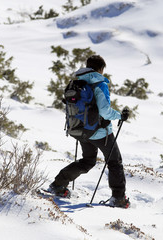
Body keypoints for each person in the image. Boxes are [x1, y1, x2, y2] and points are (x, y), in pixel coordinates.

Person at [49, 55, 130, 208]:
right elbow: (105, 112)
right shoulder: (99, 84)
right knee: (114, 162)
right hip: (100, 132)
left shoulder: (78, 82)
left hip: (80, 130)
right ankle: (118, 198)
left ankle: (58, 184)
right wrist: (120, 115)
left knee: (87, 161)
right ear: (100, 69)